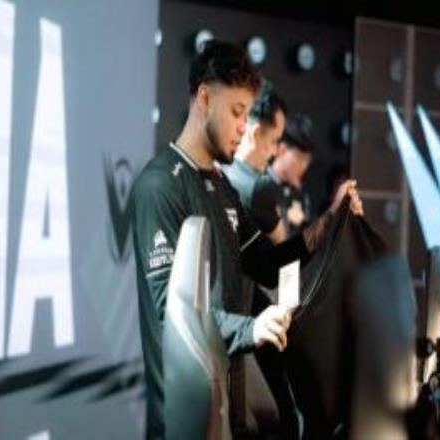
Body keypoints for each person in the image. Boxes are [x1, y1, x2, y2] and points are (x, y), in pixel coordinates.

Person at [132, 41, 311, 439]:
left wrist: (322, 231)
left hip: (230, 412)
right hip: (186, 421)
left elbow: (265, 264)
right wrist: (251, 329)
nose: (243, 127)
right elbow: (171, 314)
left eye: (247, 114)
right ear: (204, 98)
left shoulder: (221, 185)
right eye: (236, 112)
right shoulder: (160, 186)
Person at [252, 112, 364, 249]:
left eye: (307, 160)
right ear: (282, 150)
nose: (304, 166)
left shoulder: (300, 195)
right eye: (300, 158)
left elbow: (308, 239)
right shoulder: (261, 184)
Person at [224, 80, 287, 244]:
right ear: (256, 133)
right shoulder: (259, 187)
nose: (275, 152)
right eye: (274, 140)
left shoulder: (217, 167)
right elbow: (283, 244)